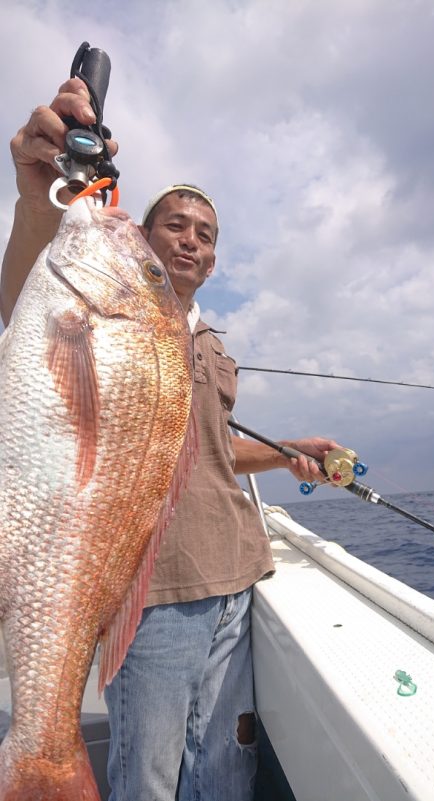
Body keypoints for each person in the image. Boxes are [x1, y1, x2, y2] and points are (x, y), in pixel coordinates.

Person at [1, 77, 340, 801]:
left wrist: (286, 453)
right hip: (153, 595)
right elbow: (27, 290)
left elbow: (210, 452)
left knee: (225, 767)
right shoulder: (108, 318)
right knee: (147, 778)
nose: (190, 241)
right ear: (147, 237)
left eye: (206, 234)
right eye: (174, 227)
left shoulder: (211, 346)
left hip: (236, 577)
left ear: (214, 259)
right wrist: (41, 202)